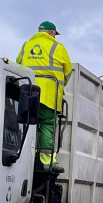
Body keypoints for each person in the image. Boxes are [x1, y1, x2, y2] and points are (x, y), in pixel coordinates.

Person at [16, 21, 72, 174]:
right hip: (49, 96)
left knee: (28, 125)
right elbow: (67, 72)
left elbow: (18, 65)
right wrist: (59, 86)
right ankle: (47, 163)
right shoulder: (58, 48)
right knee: (47, 125)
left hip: (28, 95)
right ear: (51, 33)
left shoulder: (26, 46)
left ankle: (26, 158)